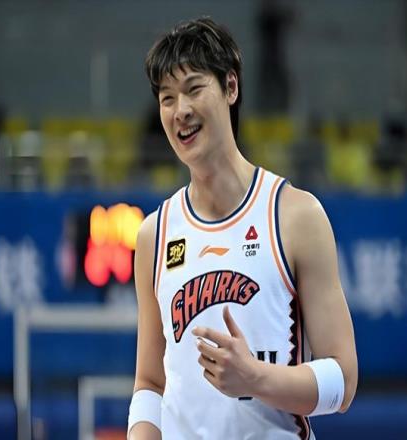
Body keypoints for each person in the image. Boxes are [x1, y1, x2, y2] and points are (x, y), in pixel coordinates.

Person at [128, 17, 357, 440]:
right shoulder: (153, 235)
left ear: (230, 87)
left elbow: (343, 382)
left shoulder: (296, 216)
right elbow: (150, 383)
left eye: (194, 89)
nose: (181, 111)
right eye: (167, 98)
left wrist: (255, 378)